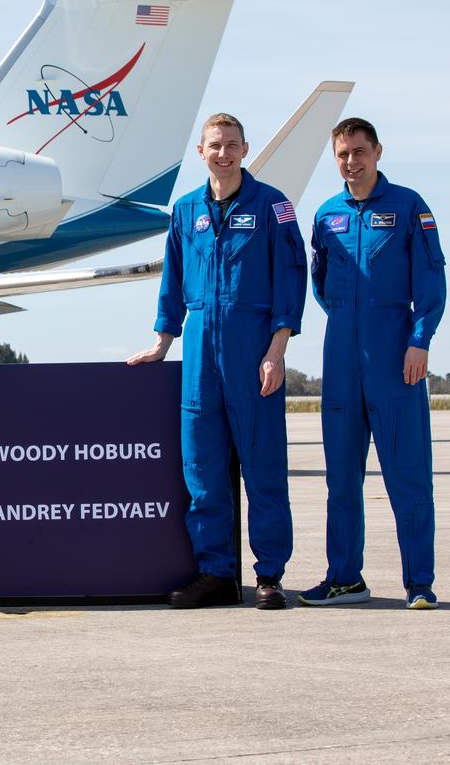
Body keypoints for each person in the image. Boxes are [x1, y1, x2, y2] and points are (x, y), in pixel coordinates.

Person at [128, 113, 307, 610]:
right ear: (200, 151)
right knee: (202, 473)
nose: (223, 153)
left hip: (254, 353)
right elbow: (174, 283)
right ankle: (215, 574)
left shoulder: (274, 207)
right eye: (214, 145)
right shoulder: (185, 211)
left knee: (264, 470)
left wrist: (277, 351)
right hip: (200, 354)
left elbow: (290, 280)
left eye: (231, 145)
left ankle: (269, 576)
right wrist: (163, 341)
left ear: (245, 149)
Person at [301, 118, 446, 610]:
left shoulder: (408, 206)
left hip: (394, 355)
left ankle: (419, 583)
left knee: (407, 475)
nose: (351, 162)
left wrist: (419, 340)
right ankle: (345, 578)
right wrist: (347, 321)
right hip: (341, 355)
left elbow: (431, 280)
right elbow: (320, 283)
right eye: (342, 154)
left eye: (359, 152)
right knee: (341, 478)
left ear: (377, 151)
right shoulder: (326, 214)